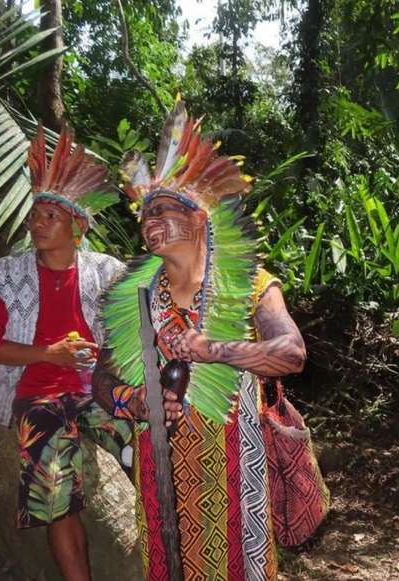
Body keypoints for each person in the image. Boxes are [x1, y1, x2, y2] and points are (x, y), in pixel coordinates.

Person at [92, 101, 306, 580]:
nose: (149, 218)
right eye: (145, 211)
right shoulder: (135, 302)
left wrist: (220, 350)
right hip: (162, 473)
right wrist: (134, 401)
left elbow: (292, 354)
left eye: (163, 207)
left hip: (237, 471)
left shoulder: (249, 286)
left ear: (200, 218)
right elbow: (101, 379)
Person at [0, 126, 132, 581]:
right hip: (38, 401)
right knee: (56, 500)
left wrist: (106, 355)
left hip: (98, 395)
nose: (36, 224)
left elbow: (134, 331)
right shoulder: (5, 278)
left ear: (77, 226)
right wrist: (49, 355)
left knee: (148, 447)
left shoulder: (107, 273)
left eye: (49, 217)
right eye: (34, 216)